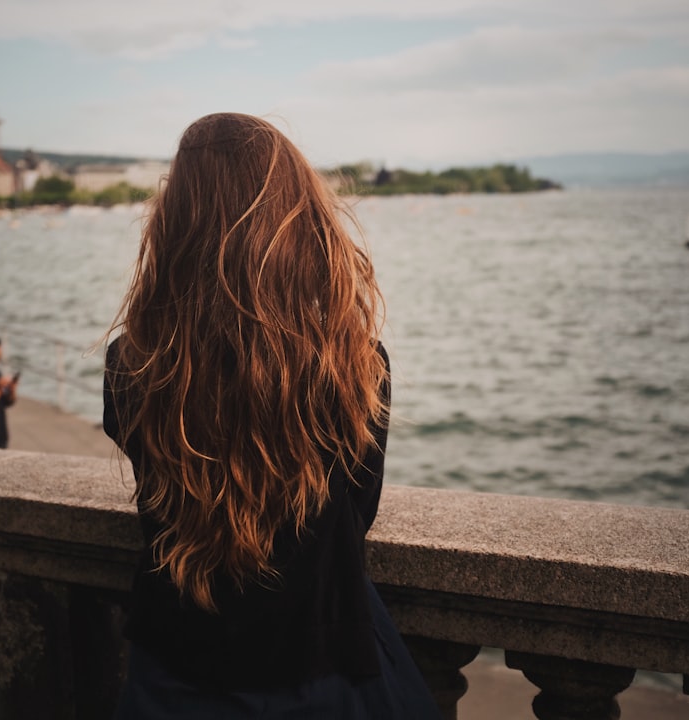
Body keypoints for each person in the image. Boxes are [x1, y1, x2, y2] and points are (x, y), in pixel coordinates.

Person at [103, 113, 441, 719]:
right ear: (298, 215)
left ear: (176, 218)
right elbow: (355, 514)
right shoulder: (355, 365)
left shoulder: (132, 364)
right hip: (319, 669)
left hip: (174, 669)